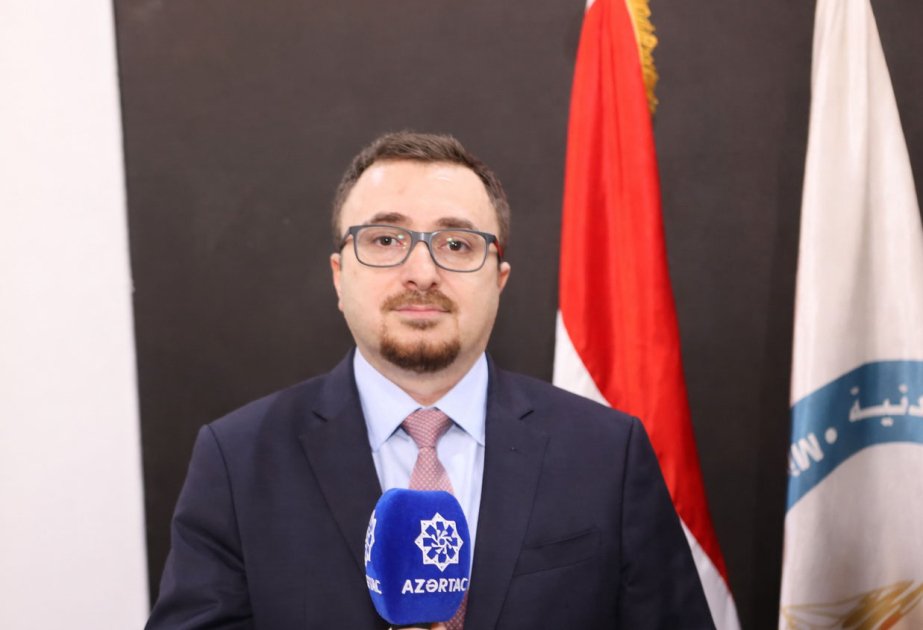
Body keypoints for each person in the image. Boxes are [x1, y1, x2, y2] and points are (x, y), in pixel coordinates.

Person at [146, 131, 715, 629]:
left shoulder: (607, 453)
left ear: (499, 280)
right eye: (385, 240)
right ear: (339, 276)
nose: (421, 273)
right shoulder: (238, 460)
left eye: (457, 244)